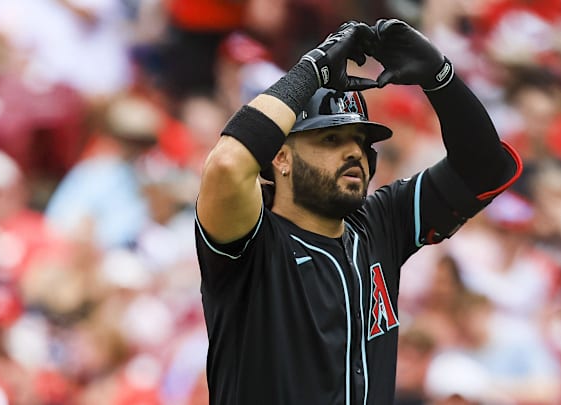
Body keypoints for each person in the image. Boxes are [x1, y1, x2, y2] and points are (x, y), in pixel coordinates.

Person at [194, 19, 522, 404]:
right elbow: (227, 166)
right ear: (279, 157)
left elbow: (484, 168)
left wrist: (440, 77)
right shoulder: (251, 244)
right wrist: (310, 71)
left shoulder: (380, 224)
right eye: (331, 138)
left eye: (360, 140)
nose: (354, 152)